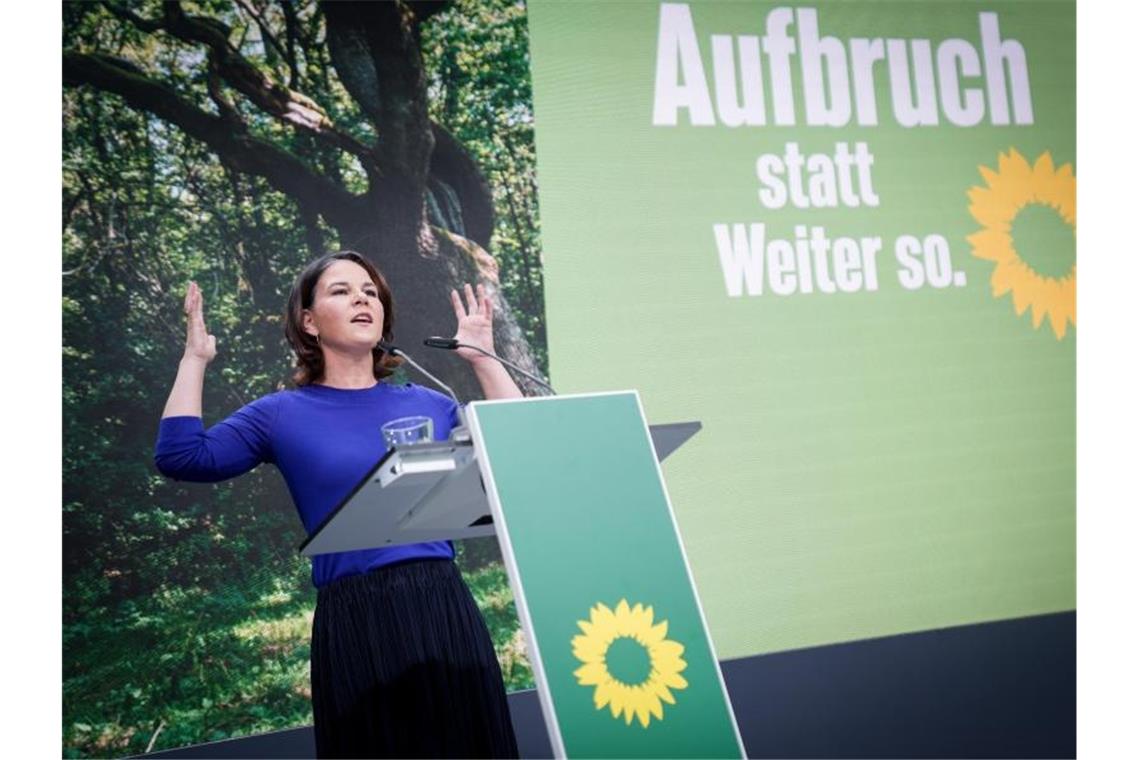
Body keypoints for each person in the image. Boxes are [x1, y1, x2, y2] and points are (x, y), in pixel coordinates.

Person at [154, 250, 522, 758]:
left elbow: (522, 448)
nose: (361, 299)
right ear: (308, 321)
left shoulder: (430, 404)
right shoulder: (280, 414)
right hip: (355, 619)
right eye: (341, 291)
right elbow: (180, 456)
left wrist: (482, 359)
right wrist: (194, 360)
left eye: (370, 292)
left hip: (441, 605)